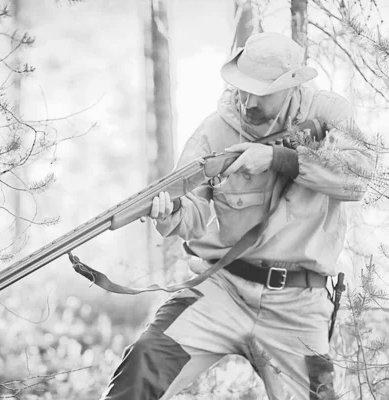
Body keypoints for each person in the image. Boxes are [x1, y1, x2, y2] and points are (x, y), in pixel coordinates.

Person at [101, 32, 373, 400]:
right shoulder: (214, 131)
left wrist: (278, 159)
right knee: (142, 365)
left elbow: (358, 180)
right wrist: (170, 212)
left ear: (293, 86)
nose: (247, 102)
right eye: (243, 89)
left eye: (261, 91)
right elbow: (192, 213)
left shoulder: (330, 114)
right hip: (222, 288)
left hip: (299, 302)